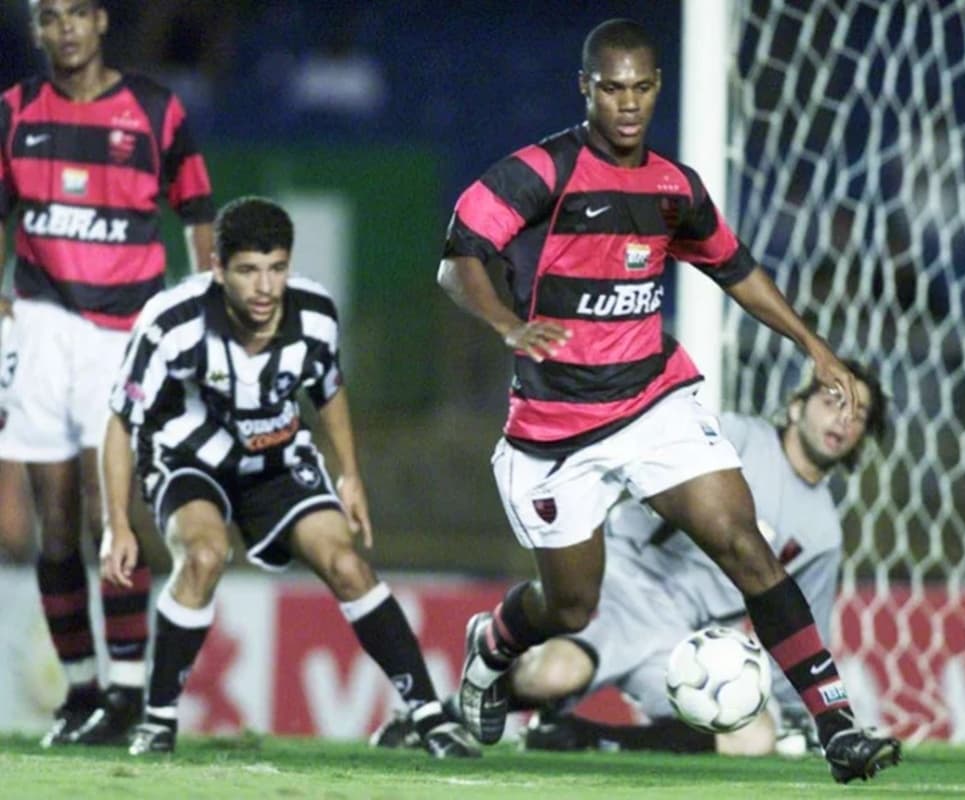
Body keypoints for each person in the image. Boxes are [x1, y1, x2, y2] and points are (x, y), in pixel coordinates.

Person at [436, 17, 901, 784]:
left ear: (656, 89)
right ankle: (492, 647)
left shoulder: (674, 188)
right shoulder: (540, 171)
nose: (627, 104)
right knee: (571, 607)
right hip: (555, 431)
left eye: (641, 89)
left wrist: (812, 346)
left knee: (743, 541)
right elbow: (460, 257)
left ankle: (836, 724)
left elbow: (735, 267)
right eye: (611, 88)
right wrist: (508, 325)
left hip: (654, 403)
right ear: (586, 88)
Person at [98, 196, 478, 759]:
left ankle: (426, 715)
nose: (264, 287)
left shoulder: (316, 314)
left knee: (347, 562)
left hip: (276, 459)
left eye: (276, 268)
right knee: (203, 557)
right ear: (217, 269)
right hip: (189, 460)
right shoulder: (171, 323)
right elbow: (119, 423)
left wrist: (350, 476)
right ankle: (157, 720)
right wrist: (116, 523)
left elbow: (329, 392)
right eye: (248, 271)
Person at [0, 0, 215, 747]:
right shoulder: (14, 112)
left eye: (78, 14)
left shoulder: (155, 110)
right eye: (49, 16)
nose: (65, 29)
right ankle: (81, 690)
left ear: (100, 23)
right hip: (39, 326)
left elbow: (197, 213)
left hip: (123, 335)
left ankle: (127, 691)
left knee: (109, 513)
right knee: (53, 526)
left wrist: (203, 312)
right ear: (38, 30)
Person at [512, 361, 887, 757]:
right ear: (797, 406)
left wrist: (801, 713)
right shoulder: (734, 438)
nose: (843, 420)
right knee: (553, 675)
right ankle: (478, 682)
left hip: (689, 635)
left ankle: (584, 737)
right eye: (833, 401)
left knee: (754, 737)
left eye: (858, 415)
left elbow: (801, 624)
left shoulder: (823, 531)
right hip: (626, 586)